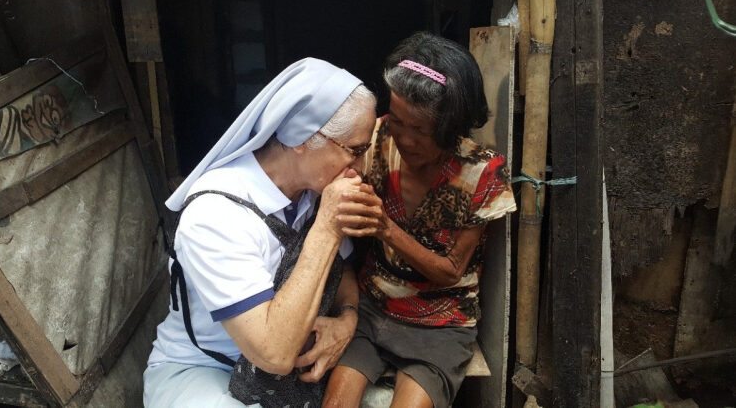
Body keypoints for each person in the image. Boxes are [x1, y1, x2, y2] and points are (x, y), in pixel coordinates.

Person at [143, 58, 377, 407]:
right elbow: (274, 354)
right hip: (205, 368)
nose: (359, 169)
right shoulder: (215, 213)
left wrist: (346, 319)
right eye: (354, 151)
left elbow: (341, 275)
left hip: (283, 373)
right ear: (303, 138)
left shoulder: (312, 194)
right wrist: (327, 227)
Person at [323, 32, 517, 408]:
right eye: (398, 121)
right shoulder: (376, 139)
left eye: (421, 130)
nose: (405, 139)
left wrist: (385, 229)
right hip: (372, 306)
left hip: (442, 324)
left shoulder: (482, 173)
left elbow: (450, 271)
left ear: (450, 128)